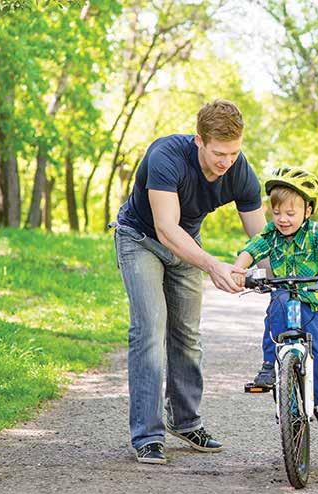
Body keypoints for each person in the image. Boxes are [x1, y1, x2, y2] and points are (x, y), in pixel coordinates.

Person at [113, 99, 267, 464]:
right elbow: (166, 229)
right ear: (199, 140)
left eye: (233, 152)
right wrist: (213, 266)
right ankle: (147, 436)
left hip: (186, 247)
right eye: (218, 153)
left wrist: (274, 271)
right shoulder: (167, 155)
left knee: (187, 336)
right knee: (150, 330)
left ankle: (185, 422)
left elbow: (262, 238)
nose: (226, 162)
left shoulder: (240, 171)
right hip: (141, 240)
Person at [232, 167, 318, 435]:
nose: (282, 219)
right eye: (276, 213)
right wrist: (239, 270)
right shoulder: (271, 234)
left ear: (308, 211)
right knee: (277, 304)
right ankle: (269, 366)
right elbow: (251, 250)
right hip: (284, 294)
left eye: (290, 213)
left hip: (315, 302)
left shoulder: (316, 232)